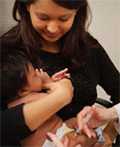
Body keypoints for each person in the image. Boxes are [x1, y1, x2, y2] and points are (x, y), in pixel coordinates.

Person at [1, 0, 119, 146]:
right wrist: (62, 95)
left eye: (64, 18)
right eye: (43, 17)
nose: (52, 28)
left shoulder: (88, 47)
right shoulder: (7, 53)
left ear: (77, 12)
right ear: (27, 7)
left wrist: (107, 135)